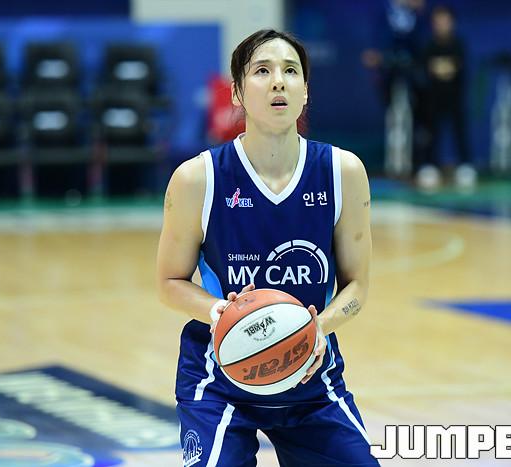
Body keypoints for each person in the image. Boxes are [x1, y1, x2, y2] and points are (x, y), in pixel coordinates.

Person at [156, 29, 376, 466]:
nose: (278, 81)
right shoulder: (197, 179)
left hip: (309, 379)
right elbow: (169, 282)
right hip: (220, 380)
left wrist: (317, 329)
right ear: (237, 92)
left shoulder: (343, 172)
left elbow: (357, 287)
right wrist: (218, 312)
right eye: (262, 71)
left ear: (305, 91)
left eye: (290, 71)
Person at [419, 4, 476, 189]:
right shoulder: (428, 46)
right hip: (433, 99)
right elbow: (424, 71)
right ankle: (429, 167)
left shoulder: (458, 45)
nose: (442, 25)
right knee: (431, 133)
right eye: (438, 21)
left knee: (460, 131)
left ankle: (465, 166)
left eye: (445, 21)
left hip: (454, 97)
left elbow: (462, 71)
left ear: (452, 22)